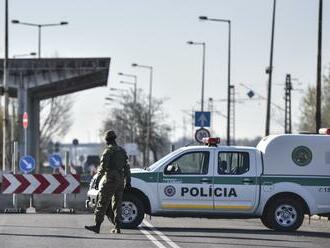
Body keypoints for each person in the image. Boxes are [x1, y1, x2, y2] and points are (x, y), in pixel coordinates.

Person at [85, 130, 131, 234]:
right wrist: (128, 181)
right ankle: (117, 227)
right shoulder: (122, 151)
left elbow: (102, 168)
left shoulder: (108, 151)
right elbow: (127, 167)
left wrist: (97, 181)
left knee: (102, 202)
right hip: (120, 179)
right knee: (117, 203)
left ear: (107, 140)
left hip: (110, 179)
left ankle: (97, 226)